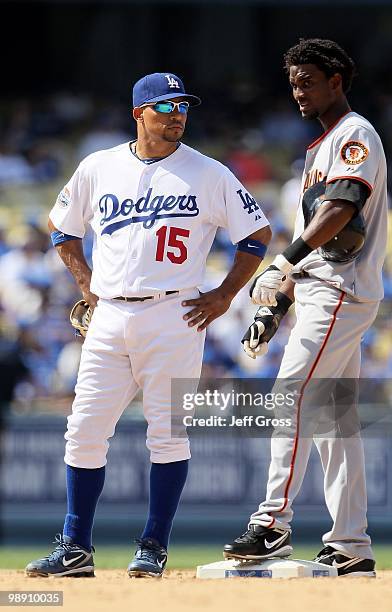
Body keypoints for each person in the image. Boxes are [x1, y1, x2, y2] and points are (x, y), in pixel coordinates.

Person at [25, 72, 271, 578]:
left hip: (175, 312)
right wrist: (86, 285)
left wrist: (225, 295)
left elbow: (257, 234)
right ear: (140, 113)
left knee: (168, 434)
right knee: (84, 431)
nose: (178, 113)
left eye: (183, 105)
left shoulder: (208, 172)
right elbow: (62, 228)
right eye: (166, 106)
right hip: (109, 313)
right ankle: (75, 548)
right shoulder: (100, 166)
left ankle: (154, 546)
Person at [224, 39, 387, 577]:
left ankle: (272, 522)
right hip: (321, 288)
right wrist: (277, 305)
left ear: (336, 81)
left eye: (308, 81)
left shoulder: (353, 134)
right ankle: (350, 545)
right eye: (294, 82)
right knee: (337, 424)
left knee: (291, 394)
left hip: (341, 288)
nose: (298, 90)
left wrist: (284, 262)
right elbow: (311, 235)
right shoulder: (318, 149)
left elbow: (341, 208)